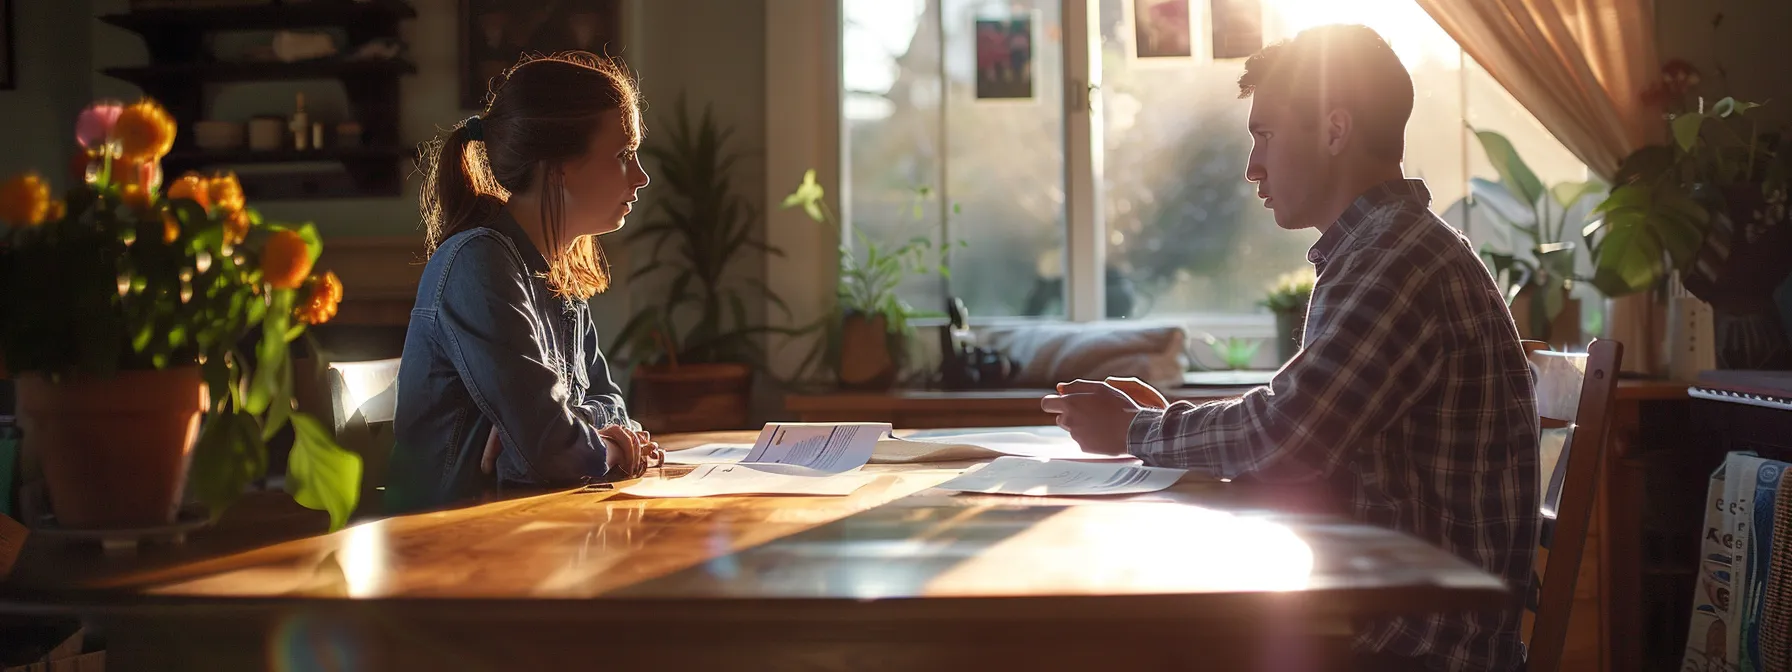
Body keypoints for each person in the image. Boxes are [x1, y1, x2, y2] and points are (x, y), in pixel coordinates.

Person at [1041, 25, 1538, 672]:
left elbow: (1288, 437)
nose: (1252, 166)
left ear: (1335, 130)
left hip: (1415, 651)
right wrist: (1164, 423)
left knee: (1112, 642)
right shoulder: (1390, 248)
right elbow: (1306, 430)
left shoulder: (1396, 262)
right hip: (1393, 627)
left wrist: (1134, 431)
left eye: (1265, 136)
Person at [389, 52, 658, 514]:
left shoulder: (557, 275)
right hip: (444, 545)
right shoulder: (479, 263)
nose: (641, 177)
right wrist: (596, 445)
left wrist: (567, 432)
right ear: (559, 167)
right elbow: (553, 448)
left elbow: (608, 404)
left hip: (516, 525)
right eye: (622, 155)